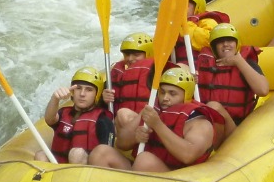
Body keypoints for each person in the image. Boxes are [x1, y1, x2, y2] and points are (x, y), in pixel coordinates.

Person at [90, 67, 220, 171]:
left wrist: (157, 125)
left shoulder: (199, 120)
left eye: (172, 93)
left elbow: (188, 155)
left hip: (177, 178)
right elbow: (121, 143)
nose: (165, 98)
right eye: (162, 92)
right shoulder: (153, 109)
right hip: (143, 171)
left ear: (186, 95)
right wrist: (136, 137)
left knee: (144, 161)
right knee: (101, 152)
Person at [196, 23, 269, 145]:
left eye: (230, 40)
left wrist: (238, 62)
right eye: (220, 41)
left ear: (236, 44)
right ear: (214, 47)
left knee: (214, 107)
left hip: (234, 127)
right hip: (205, 124)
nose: (225, 44)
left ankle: (213, 150)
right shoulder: (204, 64)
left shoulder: (247, 64)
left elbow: (263, 90)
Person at [35, 67, 115, 165]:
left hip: (85, 173)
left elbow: (106, 154)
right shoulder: (63, 113)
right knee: (41, 155)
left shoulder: (102, 120)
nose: (82, 94)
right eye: (78, 88)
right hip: (57, 169)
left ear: (97, 94)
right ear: (72, 91)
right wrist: (55, 98)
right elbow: (49, 119)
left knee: (77, 154)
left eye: (89, 90)